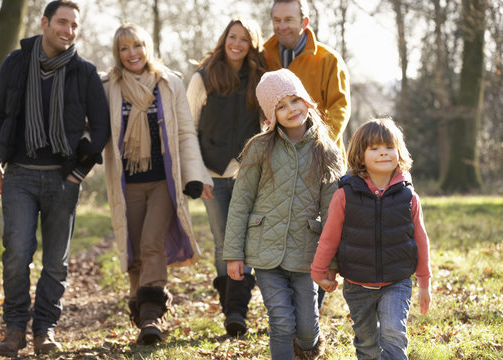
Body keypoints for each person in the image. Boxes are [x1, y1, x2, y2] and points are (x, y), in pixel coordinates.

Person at [0, 1, 110, 357]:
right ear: (44, 23)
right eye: (62, 22)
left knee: (56, 262)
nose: (68, 30)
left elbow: (101, 128)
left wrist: (77, 174)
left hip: (62, 181)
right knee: (16, 255)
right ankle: (14, 329)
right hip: (20, 177)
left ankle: (45, 329)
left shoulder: (84, 73)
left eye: (74, 25)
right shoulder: (14, 63)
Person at [102, 24, 213, 345]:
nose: (132, 53)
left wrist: (193, 176)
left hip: (163, 181)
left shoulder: (169, 83)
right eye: (124, 48)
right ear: (117, 53)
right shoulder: (108, 86)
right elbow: (95, 129)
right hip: (126, 183)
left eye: (137, 45)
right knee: (134, 246)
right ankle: (141, 307)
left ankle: (151, 314)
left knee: (152, 242)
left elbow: (184, 133)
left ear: (147, 47)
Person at [223, 69, 345, 359]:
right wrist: (234, 254)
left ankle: (306, 349)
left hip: (306, 255)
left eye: (295, 100)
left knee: (305, 329)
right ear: (270, 114)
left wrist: (332, 261)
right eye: (281, 106)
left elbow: (333, 211)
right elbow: (240, 202)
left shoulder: (326, 151)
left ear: (306, 100)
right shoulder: (260, 148)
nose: (291, 109)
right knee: (280, 322)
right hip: (266, 252)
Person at [311, 117, 432, 360]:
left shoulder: (408, 196)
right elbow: (329, 237)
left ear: (399, 152)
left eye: (389, 147)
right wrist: (318, 272)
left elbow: (420, 238)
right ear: (360, 154)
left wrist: (425, 282)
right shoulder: (345, 195)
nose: (383, 153)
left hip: (396, 282)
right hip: (357, 284)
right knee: (366, 344)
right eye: (374, 148)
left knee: (393, 334)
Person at [265, 0, 351, 307]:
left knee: (319, 228)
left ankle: (313, 301)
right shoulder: (265, 54)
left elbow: (341, 105)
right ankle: (290, 302)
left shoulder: (327, 58)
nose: (282, 26)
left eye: (288, 19)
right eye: (276, 20)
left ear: (305, 21)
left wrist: (321, 140)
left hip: (320, 158)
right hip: (279, 158)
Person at [186, 18, 267, 337]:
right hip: (212, 173)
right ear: (224, 40)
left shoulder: (260, 79)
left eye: (244, 39)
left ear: (252, 45)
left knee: (245, 239)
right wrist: (196, 173)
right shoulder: (204, 77)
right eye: (232, 37)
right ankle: (231, 309)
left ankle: (237, 311)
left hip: (249, 173)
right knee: (223, 242)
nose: (237, 43)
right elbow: (188, 128)